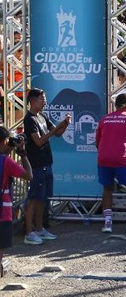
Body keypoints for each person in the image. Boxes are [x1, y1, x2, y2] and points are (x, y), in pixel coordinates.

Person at [23, 88, 71, 246]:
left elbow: (57, 133)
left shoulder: (42, 116)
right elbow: (38, 141)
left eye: (45, 99)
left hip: (46, 163)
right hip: (35, 165)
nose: (44, 102)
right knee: (32, 199)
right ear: (33, 101)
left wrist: (64, 125)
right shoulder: (29, 119)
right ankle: (29, 233)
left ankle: (39, 229)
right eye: (42, 99)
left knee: (42, 199)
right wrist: (55, 130)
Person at [96, 93, 126, 234]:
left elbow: (97, 143)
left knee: (107, 188)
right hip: (121, 158)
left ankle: (108, 223)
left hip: (103, 158)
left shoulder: (104, 119)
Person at [0, 128, 32, 273]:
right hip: (2, 211)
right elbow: (29, 176)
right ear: (5, 141)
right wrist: (22, 154)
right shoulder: (6, 161)